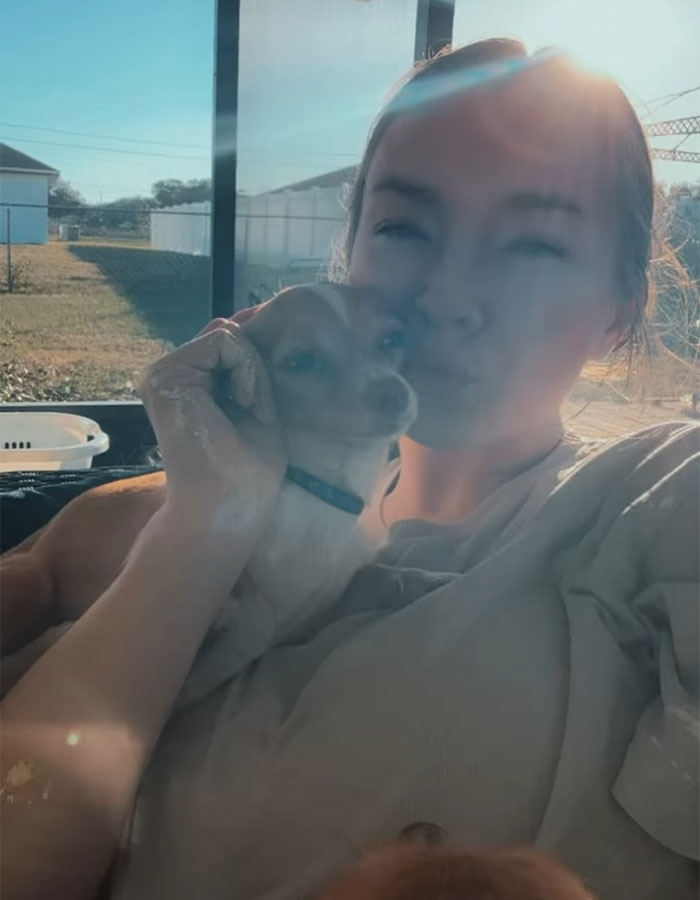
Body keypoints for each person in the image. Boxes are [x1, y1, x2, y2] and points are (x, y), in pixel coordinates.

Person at [1, 39, 698, 900]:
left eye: (533, 245)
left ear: (619, 312)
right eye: (404, 228)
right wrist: (204, 526)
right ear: (351, 255)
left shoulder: (662, 496)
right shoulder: (190, 510)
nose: (447, 298)